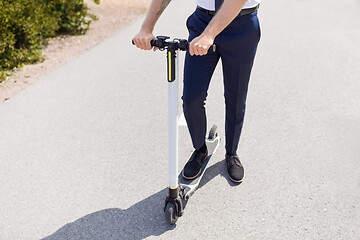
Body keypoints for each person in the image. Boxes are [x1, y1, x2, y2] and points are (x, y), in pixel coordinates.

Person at [133, 0, 261, 183]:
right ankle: (200, 150)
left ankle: (231, 153)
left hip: (242, 26)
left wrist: (210, 35)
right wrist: (146, 28)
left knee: (236, 96)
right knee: (192, 98)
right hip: (202, 22)